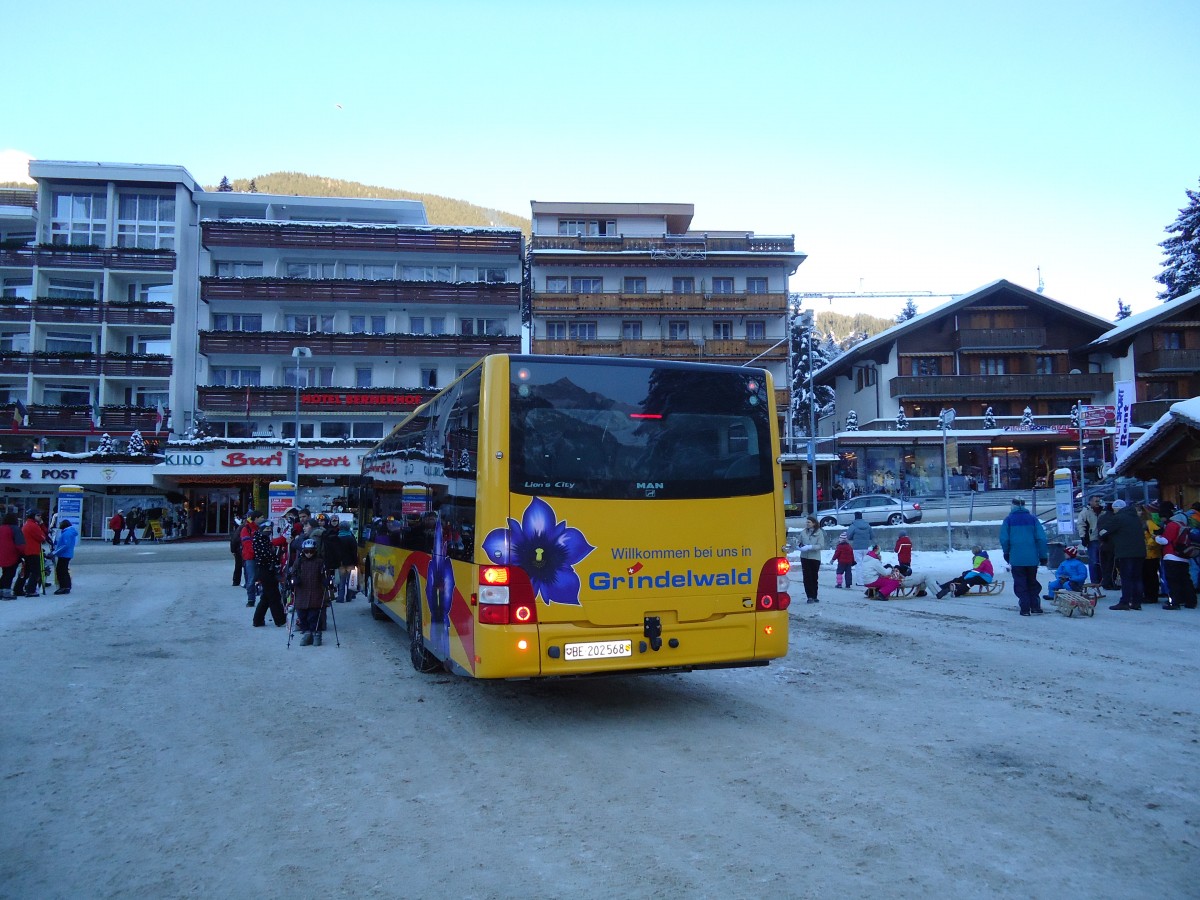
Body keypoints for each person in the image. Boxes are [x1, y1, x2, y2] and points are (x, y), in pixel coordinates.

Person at [999, 497, 1048, 616]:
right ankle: (1035, 606)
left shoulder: (1008, 520)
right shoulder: (1033, 519)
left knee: (1020, 582)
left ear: (1012, 505)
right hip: (1032, 558)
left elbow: (1004, 539)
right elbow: (1041, 538)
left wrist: (1006, 552)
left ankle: (1025, 608)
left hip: (1016, 558)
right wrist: (1043, 555)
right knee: (1032, 581)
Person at [1100, 499, 1145, 611]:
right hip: (1140, 552)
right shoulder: (1135, 518)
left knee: (1126, 578)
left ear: (1116, 508)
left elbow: (1103, 531)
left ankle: (1124, 602)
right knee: (1137, 578)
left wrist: (1104, 537)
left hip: (1125, 552)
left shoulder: (1118, 518)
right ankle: (1136, 602)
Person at [1157, 501, 1198, 609]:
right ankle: (1191, 601)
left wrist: (1156, 538)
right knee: (1185, 579)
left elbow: (1165, 540)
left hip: (1171, 555)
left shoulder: (1171, 525)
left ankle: (1174, 602)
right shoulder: (1183, 525)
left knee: (1173, 580)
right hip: (1183, 556)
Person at [290, 538, 329, 646]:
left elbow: (325, 575)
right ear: (303, 551)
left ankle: (316, 633)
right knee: (302, 615)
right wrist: (294, 581)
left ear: (315, 551)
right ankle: (307, 633)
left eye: (311, 551)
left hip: (315, 592)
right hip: (302, 592)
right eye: (307, 551)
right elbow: (292, 574)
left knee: (314, 615)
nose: (309, 554)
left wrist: (326, 581)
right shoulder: (299, 562)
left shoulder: (319, 562)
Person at [251, 520, 288, 628]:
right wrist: (275, 556)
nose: (268, 531)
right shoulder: (258, 540)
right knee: (273, 595)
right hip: (265, 569)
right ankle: (280, 619)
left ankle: (258, 620)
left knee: (267, 596)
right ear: (261, 530)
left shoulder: (264, 539)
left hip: (269, 569)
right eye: (266, 529)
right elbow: (265, 554)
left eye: (269, 529)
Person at [794, 516, 826, 604]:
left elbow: (821, 545)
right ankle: (809, 596)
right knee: (807, 577)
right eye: (807, 522)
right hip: (804, 557)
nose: (807, 524)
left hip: (815, 558)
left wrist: (811, 547)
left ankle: (815, 595)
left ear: (814, 523)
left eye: (809, 522)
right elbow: (798, 541)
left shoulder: (819, 533)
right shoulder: (803, 532)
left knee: (814, 577)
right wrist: (799, 546)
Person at [1138, 502, 1164, 607]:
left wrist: (1149, 545)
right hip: (1143, 554)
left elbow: (1157, 536)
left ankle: (1152, 596)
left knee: (1151, 576)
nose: (1138, 513)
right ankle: (1148, 594)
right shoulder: (1139, 523)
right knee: (1146, 576)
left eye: (1140, 510)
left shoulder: (1149, 523)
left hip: (1151, 554)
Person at [19, 510, 48, 597]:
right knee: (36, 571)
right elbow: (42, 537)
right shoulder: (33, 526)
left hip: (27, 551)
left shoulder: (27, 524)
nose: (40, 517)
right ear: (33, 516)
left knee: (26, 571)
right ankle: (30, 590)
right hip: (33, 551)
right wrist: (42, 525)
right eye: (38, 515)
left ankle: (18, 588)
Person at [1076, 495, 1103, 585]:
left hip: (1103, 538)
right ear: (1090, 502)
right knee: (1094, 561)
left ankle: (1103, 579)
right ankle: (1095, 581)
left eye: (1098, 501)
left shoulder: (1102, 511)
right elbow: (1081, 525)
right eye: (1096, 501)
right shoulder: (1085, 512)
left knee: (1103, 560)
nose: (1098, 503)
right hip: (1092, 539)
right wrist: (1083, 537)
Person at [0, 511, 26, 599]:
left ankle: (1, 591)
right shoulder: (15, 529)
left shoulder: (1, 528)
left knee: (5, 573)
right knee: (10, 573)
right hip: (12, 554)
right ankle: (6, 593)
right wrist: (23, 553)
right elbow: (20, 544)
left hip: (2, 554)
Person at [333, 517, 358, 602]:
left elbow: (335, 552)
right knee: (350, 581)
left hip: (341, 563)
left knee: (342, 581)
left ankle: (340, 598)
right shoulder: (351, 538)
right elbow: (354, 551)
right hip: (350, 563)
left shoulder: (337, 538)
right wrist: (355, 562)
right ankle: (349, 597)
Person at [239, 510, 260, 607]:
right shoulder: (246, 529)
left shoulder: (261, 528)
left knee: (262, 578)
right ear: (256, 518)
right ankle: (251, 599)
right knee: (251, 579)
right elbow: (247, 544)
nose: (263, 519)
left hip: (260, 556)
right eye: (261, 517)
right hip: (250, 557)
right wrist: (257, 551)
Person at [1095, 502, 1118, 590]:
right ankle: (1111, 583)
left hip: (1102, 543)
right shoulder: (1114, 518)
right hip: (1112, 543)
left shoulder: (1101, 517)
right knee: (1111, 565)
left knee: (1104, 565)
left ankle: (1105, 581)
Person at [52, 517, 77, 595]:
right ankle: (66, 586)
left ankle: (63, 587)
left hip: (64, 554)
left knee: (61, 571)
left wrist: (54, 552)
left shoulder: (67, 533)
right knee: (64, 570)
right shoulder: (69, 532)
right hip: (67, 554)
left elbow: (65, 545)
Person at [229, 517, 244, 587]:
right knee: (240, 565)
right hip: (240, 549)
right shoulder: (243, 528)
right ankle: (237, 581)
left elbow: (234, 539)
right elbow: (234, 539)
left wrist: (233, 550)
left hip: (239, 549)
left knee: (238, 565)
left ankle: (236, 581)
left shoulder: (240, 528)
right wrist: (233, 550)